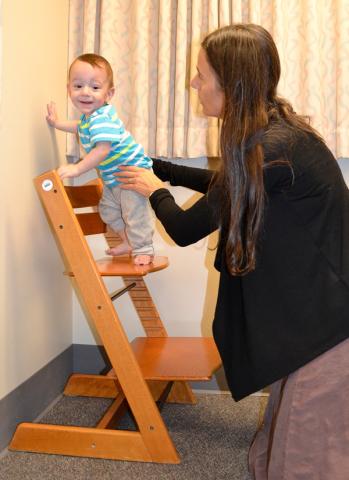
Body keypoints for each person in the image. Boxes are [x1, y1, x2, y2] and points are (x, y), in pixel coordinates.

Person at [114, 24, 349, 480]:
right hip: (321, 304)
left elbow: (185, 228)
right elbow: (231, 189)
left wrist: (155, 189)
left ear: (230, 82)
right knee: (276, 444)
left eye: (201, 75)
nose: (193, 84)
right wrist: (159, 167)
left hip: (332, 320)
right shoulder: (279, 135)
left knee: (305, 457)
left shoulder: (269, 148)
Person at [46, 53, 154, 265]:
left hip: (132, 175)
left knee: (135, 212)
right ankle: (128, 241)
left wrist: (76, 169)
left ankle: (144, 248)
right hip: (115, 179)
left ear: (109, 93)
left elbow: (102, 150)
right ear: (69, 89)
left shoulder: (102, 118)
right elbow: (77, 126)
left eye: (95, 87)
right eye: (78, 86)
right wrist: (57, 123)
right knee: (107, 211)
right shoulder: (89, 119)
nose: (85, 92)